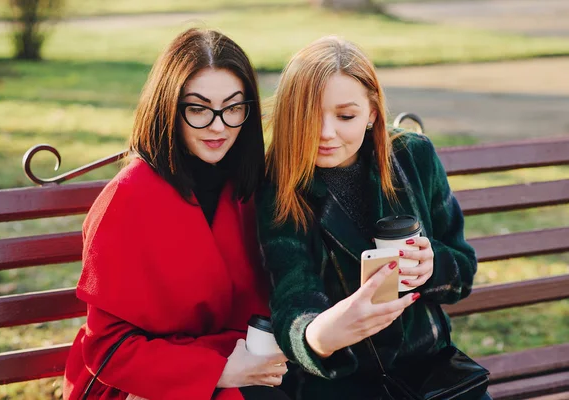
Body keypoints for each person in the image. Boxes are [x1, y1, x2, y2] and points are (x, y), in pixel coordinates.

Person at [63, 28, 290, 400]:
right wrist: (217, 372)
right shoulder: (127, 197)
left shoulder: (250, 186)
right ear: (168, 108)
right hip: (144, 384)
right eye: (198, 109)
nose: (218, 126)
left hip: (247, 366)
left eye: (233, 108)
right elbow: (108, 350)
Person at [256, 36, 482, 399]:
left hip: (431, 373)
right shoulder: (278, 185)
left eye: (346, 116)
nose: (324, 134)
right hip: (341, 381)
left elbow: (463, 272)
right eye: (306, 116)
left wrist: (432, 266)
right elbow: (292, 296)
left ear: (372, 112)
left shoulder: (412, 156)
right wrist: (320, 335)